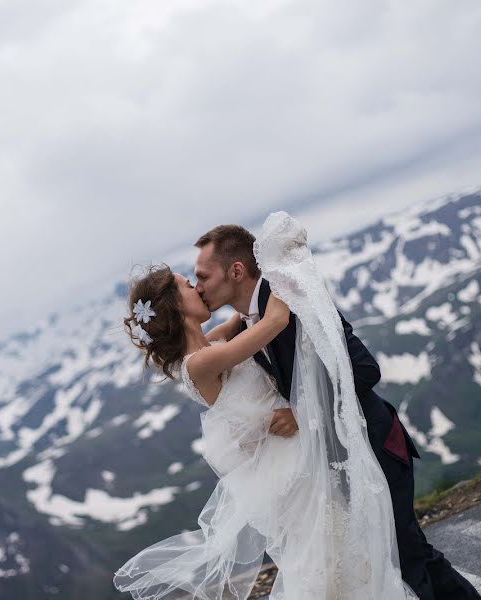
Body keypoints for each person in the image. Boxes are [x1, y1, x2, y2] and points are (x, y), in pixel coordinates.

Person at [113, 212, 418, 599]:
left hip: (297, 457)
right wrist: (282, 263)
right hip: (292, 470)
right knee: (329, 564)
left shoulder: (206, 346)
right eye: (188, 284)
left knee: (340, 562)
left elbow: (244, 320)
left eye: (198, 278)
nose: (196, 286)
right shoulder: (201, 361)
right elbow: (271, 322)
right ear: (177, 306)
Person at [191, 215, 481, 600]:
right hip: (339, 464)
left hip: (376, 446)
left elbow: (364, 369)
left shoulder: (290, 299)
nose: (197, 287)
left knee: (404, 561)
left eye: (203, 276)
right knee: (408, 558)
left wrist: (301, 413)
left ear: (237, 270)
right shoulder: (249, 323)